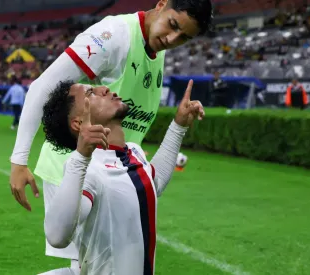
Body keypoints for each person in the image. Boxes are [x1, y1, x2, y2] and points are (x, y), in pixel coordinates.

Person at [8, 0, 213, 271]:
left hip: (118, 168)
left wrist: (138, 154)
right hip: (81, 168)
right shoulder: (114, 35)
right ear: (162, 4)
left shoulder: (157, 45)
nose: (172, 38)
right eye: (173, 25)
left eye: (183, 37)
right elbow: (44, 85)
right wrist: (19, 160)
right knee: (95, 265)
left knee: (111, 263)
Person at [42, 80, 204, 274]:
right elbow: (57, 236)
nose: (105, 89)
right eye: (90, 93)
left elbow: (154, 182)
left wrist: (178, 126)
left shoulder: (134, 152)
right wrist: (81, 157)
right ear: (78, 123)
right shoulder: (89, 169)